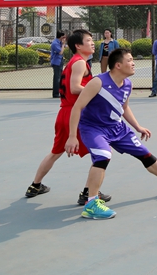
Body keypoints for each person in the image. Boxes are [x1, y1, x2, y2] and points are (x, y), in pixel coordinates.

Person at [66, 48, 157, 220]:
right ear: (118, 65)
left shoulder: (127, 84)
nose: (133, 63)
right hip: (94, 128)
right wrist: (72, 136)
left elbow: (124, 107)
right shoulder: (98, 82)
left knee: (145, 154)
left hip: (118, 128)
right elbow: (77, 107)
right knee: (103, 155)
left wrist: (138, 126)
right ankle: (91, 204)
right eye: (129, 60)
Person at [25, 29, 110, 206]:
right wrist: (99, 91)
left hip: (64, 113)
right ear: (78, 46)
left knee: (55, 152)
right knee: (100, 153)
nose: (92, 43)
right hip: (76, 114)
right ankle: (88, 192)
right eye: (88, 40)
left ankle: (35, 185)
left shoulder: (75, 62)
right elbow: (75, 88)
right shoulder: (79, 63)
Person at [49, 31, 66, 99]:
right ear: (61, 37)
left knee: (60, 77)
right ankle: (55, 93)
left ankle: (59, 92)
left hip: (60, 61)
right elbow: (60, 52)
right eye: (64, 37)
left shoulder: (59, 42)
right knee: (57, 78)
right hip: (56, 62)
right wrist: (63, 44)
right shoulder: (55, 43)